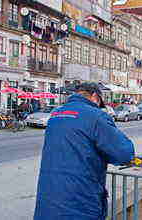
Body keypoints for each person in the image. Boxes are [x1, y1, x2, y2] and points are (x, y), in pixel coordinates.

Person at [34, 82, 135, 220]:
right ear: (95, 96)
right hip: (80, 200)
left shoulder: (56, 114)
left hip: (49, 197)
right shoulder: (96, 115)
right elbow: (124, 154)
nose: (99, 108)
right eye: (99, 104)